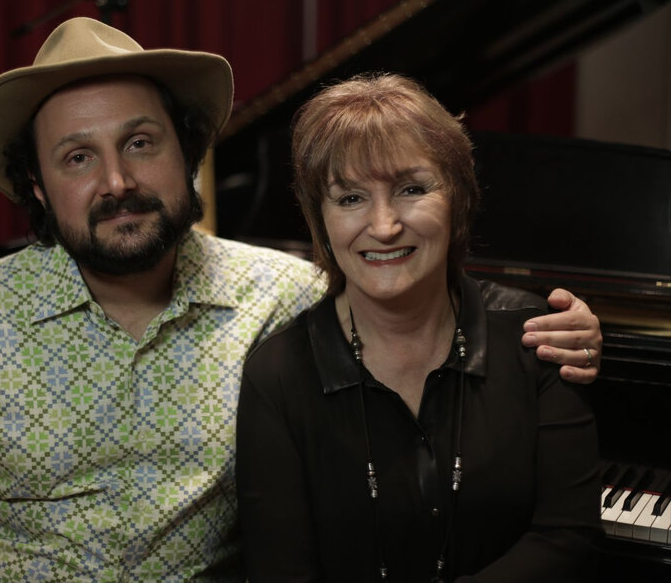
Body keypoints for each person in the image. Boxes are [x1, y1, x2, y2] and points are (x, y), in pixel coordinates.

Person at [0, 19, 602, 581]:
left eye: (140, 142)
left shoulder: (283, 294)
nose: (117, 181)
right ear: (36, 185)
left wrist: (562, 325)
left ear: (189, 154)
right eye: (75, 157)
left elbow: (405, 288)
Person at [235, 73, 603, 582]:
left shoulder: (535, 335)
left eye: (411, 189)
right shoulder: (275, 375)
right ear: (319, 220)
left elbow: (568, 537)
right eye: (349, 198)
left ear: (459, 198)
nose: (384, 226)